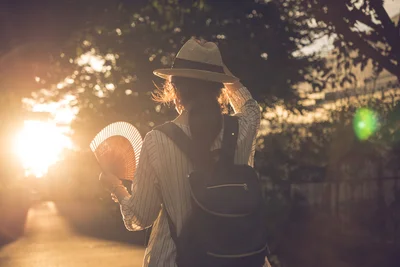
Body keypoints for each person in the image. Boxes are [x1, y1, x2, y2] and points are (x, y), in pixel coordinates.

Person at [99, 38, 270, 267]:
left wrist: (116, 188)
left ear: (174, 87)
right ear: (219, 88)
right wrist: (217, 69)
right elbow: (250, 107)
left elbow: (140, 217)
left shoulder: (157, 140)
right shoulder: (240, 130)